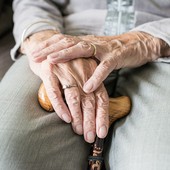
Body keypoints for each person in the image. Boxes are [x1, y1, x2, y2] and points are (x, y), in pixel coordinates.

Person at [0, 0, 170, 170]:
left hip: (159, 42)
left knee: (158, 161)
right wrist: (48, 43)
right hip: (65, 36)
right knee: (6, 152)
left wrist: (147, 42)